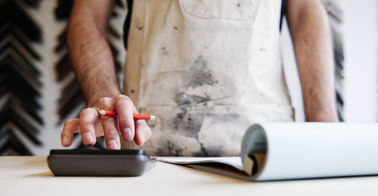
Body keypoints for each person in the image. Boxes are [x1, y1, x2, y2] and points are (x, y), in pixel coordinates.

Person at [61, 0, 339, 156]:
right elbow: (88, 15)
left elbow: (305, 11)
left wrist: (324, 124)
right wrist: (103, 96)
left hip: (265, 145)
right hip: (150, 146)